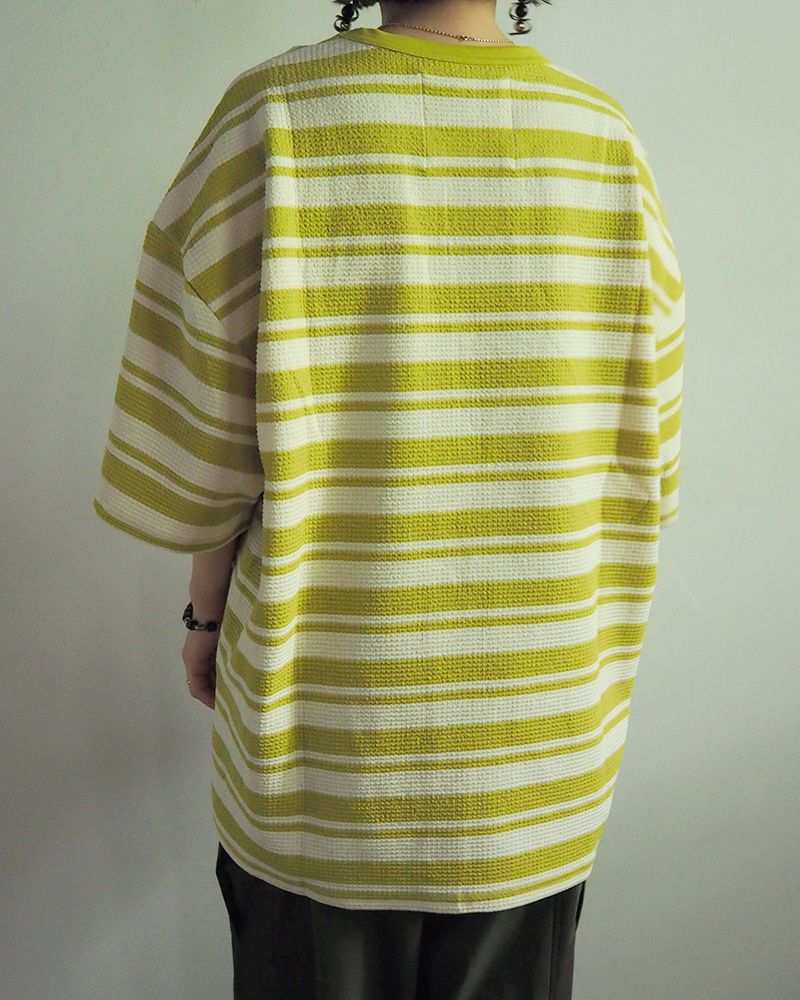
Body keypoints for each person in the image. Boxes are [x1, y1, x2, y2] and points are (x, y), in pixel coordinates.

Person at [92, 0, 685, 997]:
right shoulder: (604, 140)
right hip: (529, 762)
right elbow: (646, 455)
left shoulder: (273, 115)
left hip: (320, 759)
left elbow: (198, 454)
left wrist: (205, 618)